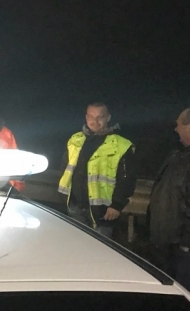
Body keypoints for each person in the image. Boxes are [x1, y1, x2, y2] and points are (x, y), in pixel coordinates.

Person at [149, 107, 190, 307]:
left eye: (178, 124)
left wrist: (188, 244)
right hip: (176, 246)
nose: (175, 129)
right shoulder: (185, 153)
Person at [58, 102, 135, 238]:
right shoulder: (76, 140)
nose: (95, 121)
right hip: (75, 207)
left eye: (100, 117)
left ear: (108, 118)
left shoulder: (121, 145)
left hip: (102, 212)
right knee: (76, 246)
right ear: (86, 117)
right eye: (91, 117)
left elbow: (127, 179)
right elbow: (65, 169)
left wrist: (117, 205)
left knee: (99, 249)